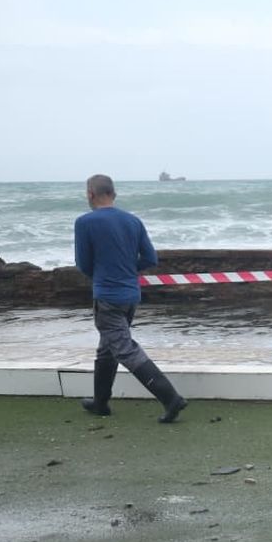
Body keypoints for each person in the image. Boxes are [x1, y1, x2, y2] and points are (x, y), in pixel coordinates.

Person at [74, 174, 187, 423]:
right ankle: (100, 402)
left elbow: (83, 264)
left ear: (91, 194)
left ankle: (171, 398)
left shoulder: (84, 223)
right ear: (113, 194)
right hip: (130, 295)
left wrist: (106, 274)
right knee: (108, 348)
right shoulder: (133, 221)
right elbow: (150, 258)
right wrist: (126, 270)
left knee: (124, 349)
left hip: (107, 296)